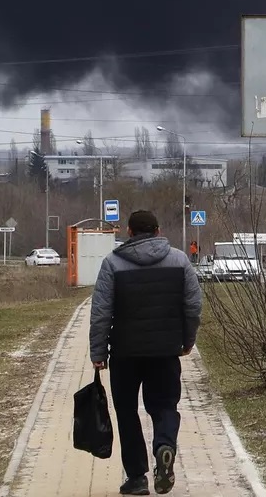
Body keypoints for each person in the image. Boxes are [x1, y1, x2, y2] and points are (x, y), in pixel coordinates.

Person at [90, 208, 201, 496]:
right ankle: (164, 445)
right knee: (164, 405)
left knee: (127, 412)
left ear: (128, 232)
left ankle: (137, 478)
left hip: (125, 353)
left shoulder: (112, 263)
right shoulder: (179, 260)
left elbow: (101, 313)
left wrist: (98, 351)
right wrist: (187, 341)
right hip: (165, 352)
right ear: (158, 230)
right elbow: (192, 306)